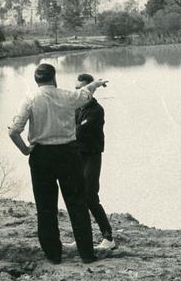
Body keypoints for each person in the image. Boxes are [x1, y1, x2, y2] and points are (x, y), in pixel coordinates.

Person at [8, 63, 108, 264]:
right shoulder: (67, 96)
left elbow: (13, 131)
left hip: (41, 155)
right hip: (68, 154)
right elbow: (85, 94)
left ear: (36, 81)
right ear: (54, 78)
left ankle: (53, 255)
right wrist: (95, 83)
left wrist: (26, 150)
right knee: (77, 203)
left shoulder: (30, 99)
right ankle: (87, 254)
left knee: (46, 206)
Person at [75, 74, 115, 250]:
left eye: (83, 88)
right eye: (77, 89)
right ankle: (84, 237)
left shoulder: (97, 110)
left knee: (90, 196)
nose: (80, 92)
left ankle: (108, 237)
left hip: (91, 156)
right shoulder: (76, 109)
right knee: (78, 197)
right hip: (78, 156)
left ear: (91, 90)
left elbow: (78, 132)